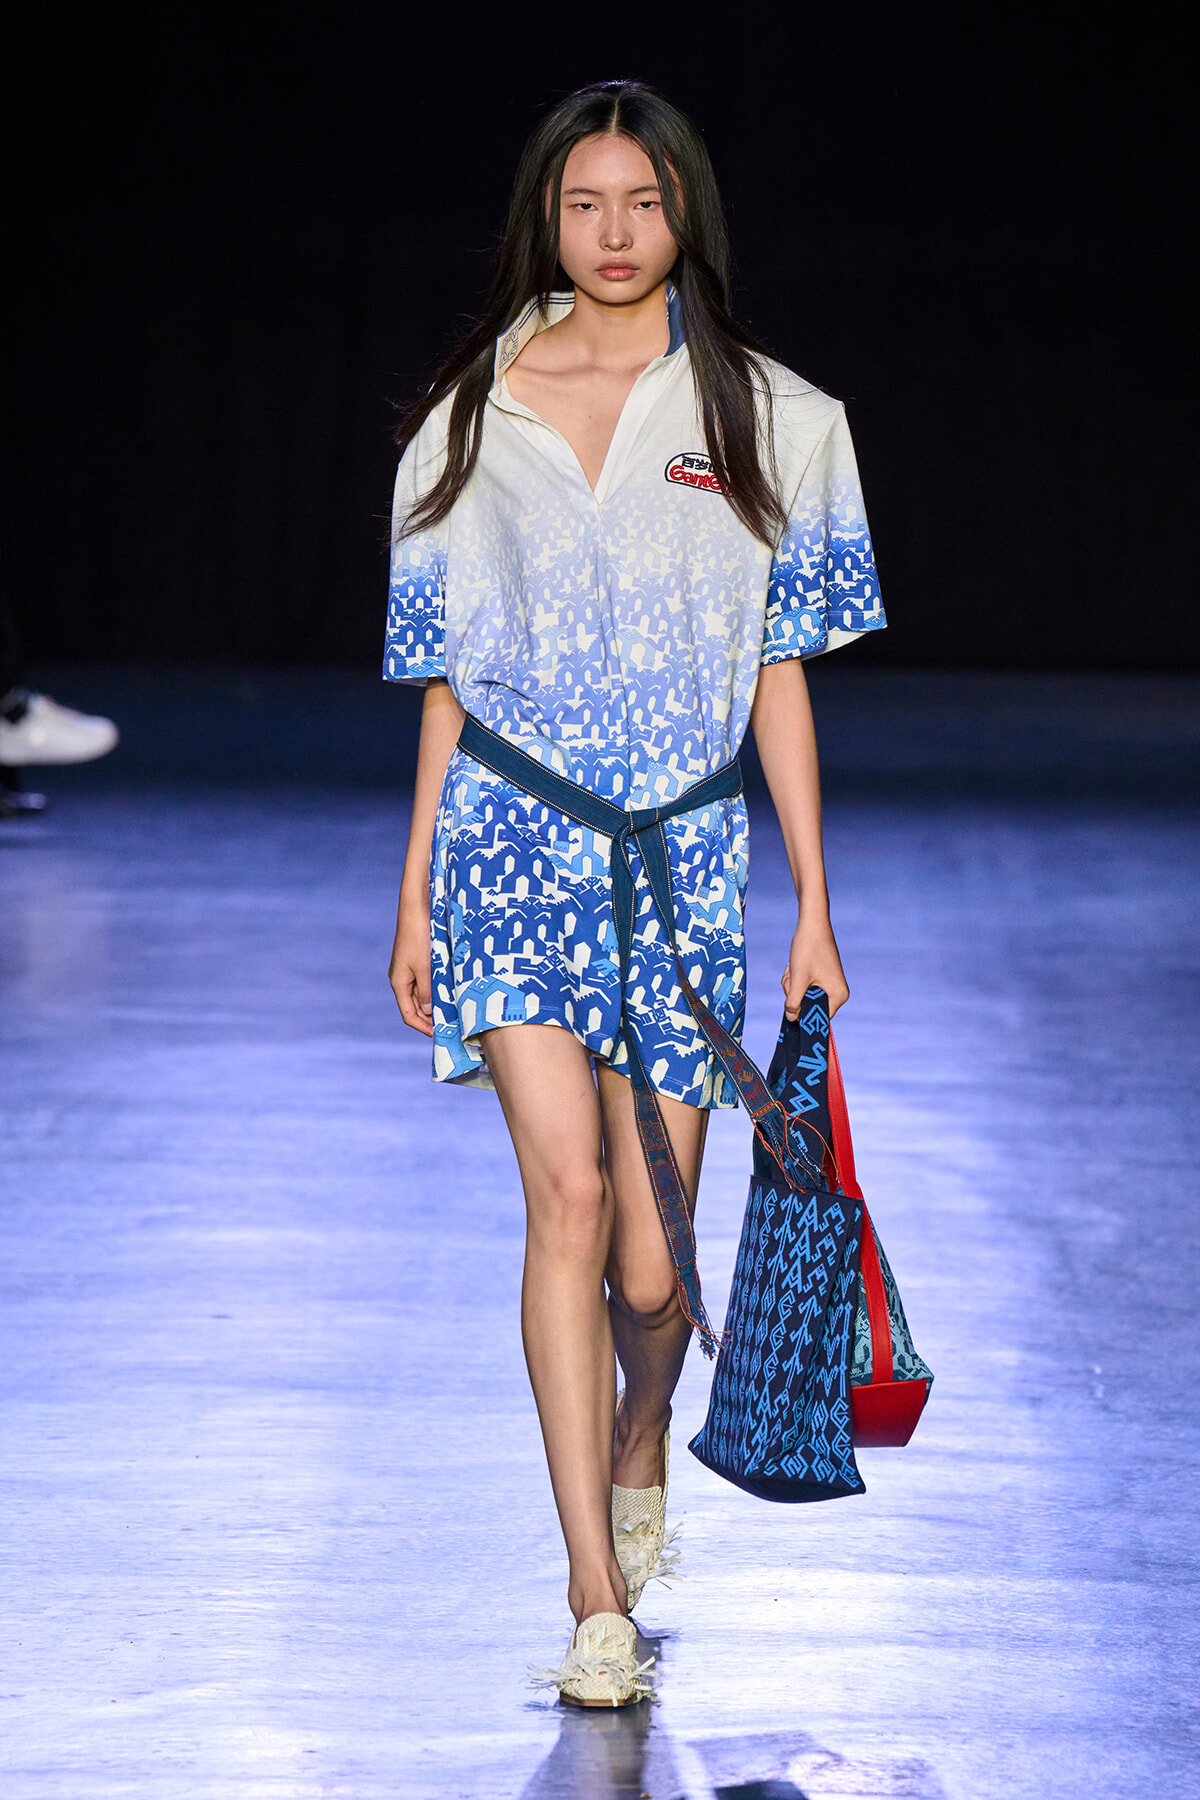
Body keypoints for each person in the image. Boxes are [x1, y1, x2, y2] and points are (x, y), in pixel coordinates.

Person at [385, 81, 884, 1707]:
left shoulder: (775, 419)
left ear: (686, 218)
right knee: (569, 1206)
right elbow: (445, 680)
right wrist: (414, 898)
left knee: (656, 1275)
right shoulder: (470, 411)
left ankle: (638, 1426)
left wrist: (812, 903)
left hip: (681, 852)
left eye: (643, 206)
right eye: (584, 205)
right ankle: (592, 1591)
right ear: (547, 214)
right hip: (512, 842)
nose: (611, 236)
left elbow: (783, 673)